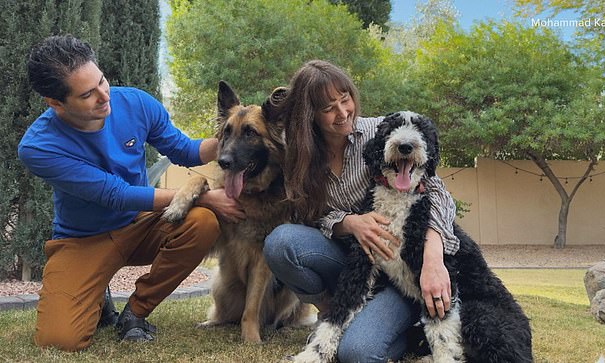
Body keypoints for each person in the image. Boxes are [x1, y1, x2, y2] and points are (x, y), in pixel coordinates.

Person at [18, 35, 244, 352]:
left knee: (204, 223)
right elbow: (116, 194)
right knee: (59, 340)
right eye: (87, 94)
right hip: (83, 239)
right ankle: (97, 293)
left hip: (142, 223)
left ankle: (136, 314)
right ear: (55, 103)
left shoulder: (136, 103)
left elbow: (184, 150)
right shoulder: (38, 147)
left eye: (102, 81)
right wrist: (201, 196)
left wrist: (239, 134)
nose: (103, 96)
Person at [263, 60, 460, 363]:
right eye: (329, 108)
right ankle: (334, 314)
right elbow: (306, 217)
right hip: (349, 261)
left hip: (399, 268)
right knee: (280, 243)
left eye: (346, 99)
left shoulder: (381, 133)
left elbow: (438, 193)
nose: (343, 113)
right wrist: (349, 223)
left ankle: (396, 327)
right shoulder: (301, 155)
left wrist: (433, 257)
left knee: (358, 352)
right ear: (309, 115)